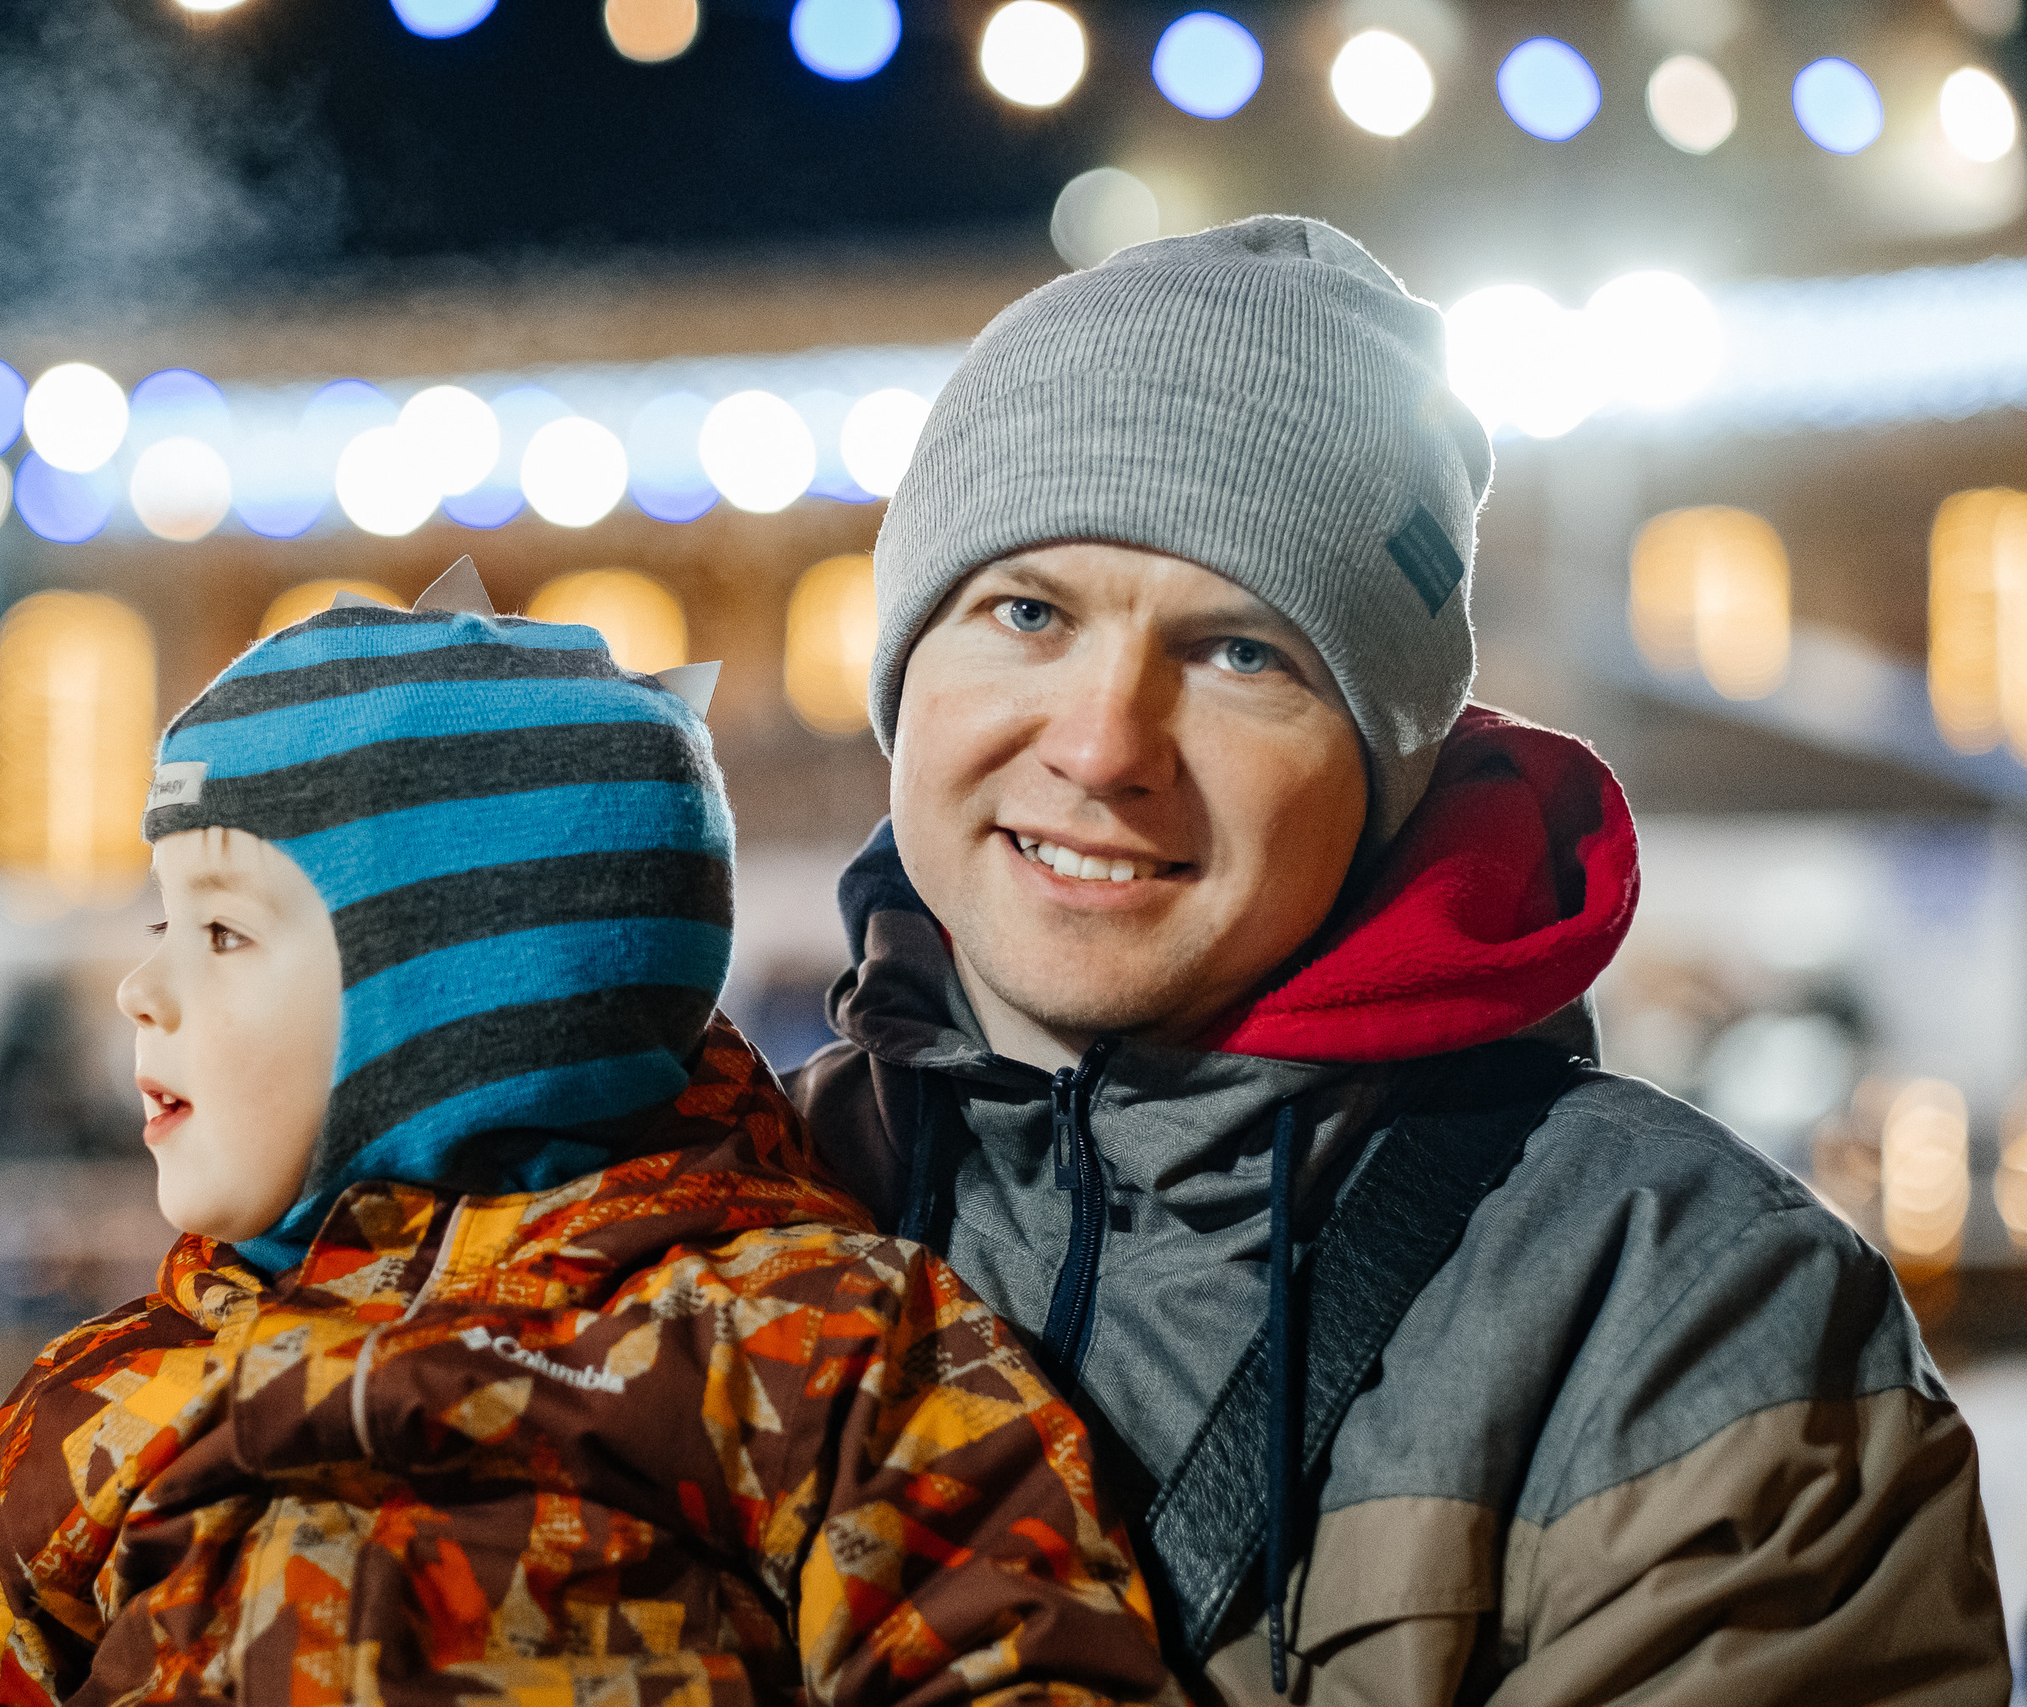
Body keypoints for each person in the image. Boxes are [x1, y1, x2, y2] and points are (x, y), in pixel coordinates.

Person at [788, 219, 2014, 1704]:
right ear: (908, 663)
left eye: (1244, 652)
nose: (1105, 746)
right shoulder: (692, 1214)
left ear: (1392, 769)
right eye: (1027, 611)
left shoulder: (1692, 1312)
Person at [0, 563, 1178, 1707]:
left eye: (221, 933)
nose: (139, 992)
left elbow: (1020, 1660)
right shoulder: (115, 1395)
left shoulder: (791, 1345)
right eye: (163, 926)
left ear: (461, 1006)